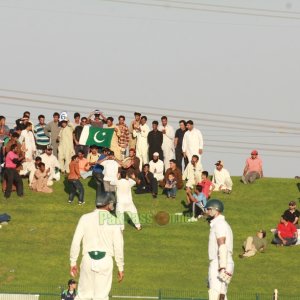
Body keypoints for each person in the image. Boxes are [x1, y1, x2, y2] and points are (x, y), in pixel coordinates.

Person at [69, 190, 124, 300]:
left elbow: (75, 241)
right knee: (101, 297)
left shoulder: (85, 218)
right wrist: (120, 266)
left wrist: (73, 261)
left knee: (82, 296)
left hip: (87, 259)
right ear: (110, 204)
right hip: (105, 261)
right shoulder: (114, 221)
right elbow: (119, 246)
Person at [204, 199, 234, 300]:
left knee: (214, 294)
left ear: (215, 210)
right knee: (221, 296)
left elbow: (222, 245)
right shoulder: (221, 224)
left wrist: (222, 267)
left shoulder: (219, 224)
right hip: (222, 261)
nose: (207, 212)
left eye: (208, 209)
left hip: (220, 262)